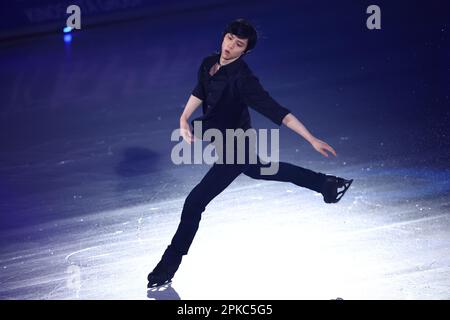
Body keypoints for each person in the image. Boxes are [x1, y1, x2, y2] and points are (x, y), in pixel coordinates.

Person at [147, 18, 353, 288]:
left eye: (238, 44)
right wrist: (184, 119)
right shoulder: (209, 62)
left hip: (237, 147)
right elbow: (200, 90)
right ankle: (325, 183)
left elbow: (278, 112)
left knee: (195, 202)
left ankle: (167, 266)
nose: (230, 46)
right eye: (229, 38)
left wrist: (311, 138)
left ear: (246, 51)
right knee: (259, 170)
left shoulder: (244, 80)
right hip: (220, 137)